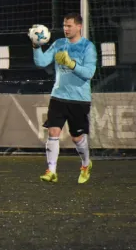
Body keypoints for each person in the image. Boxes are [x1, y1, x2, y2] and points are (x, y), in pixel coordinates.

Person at [31, 12, 97, 184]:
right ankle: (51, 170)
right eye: (64, 25)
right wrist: (36, 46)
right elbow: (42, 62)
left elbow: (89, 73)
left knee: (77, 137)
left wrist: (71, 64)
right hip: (58, 96)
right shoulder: (59, 44)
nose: (65, 29)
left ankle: (85, 164)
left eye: (69, 26)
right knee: (53, 131)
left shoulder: (87, 47)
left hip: (79, 99)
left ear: (79, 26)